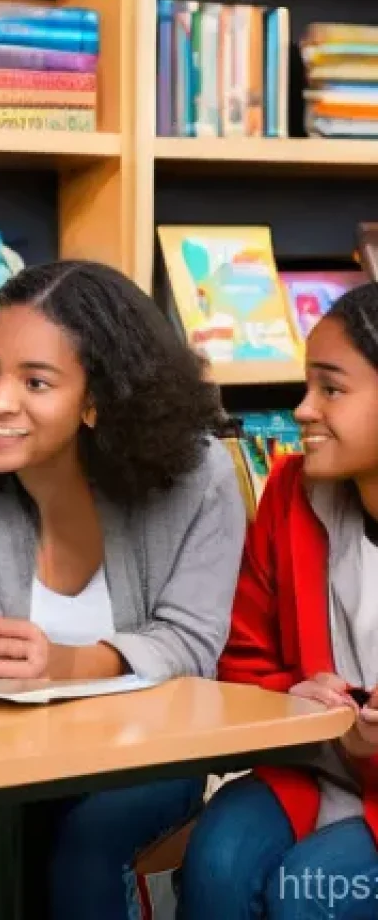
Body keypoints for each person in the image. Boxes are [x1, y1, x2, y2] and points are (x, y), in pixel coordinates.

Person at [0, 260, 246, 919]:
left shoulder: (198, 476)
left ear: (97, 400)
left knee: (87, 844)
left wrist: (68, 664)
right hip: (3, 755)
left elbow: (192, 642)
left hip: (151, 749)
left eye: (35, 381)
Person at [180, 283, 378, 920]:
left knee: (308, 891)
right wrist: (293, 695)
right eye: (306, 384)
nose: (302, 409)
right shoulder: (290, 491)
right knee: (218, 856)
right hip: (318, 772)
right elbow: (240, 661)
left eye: (331, 389)